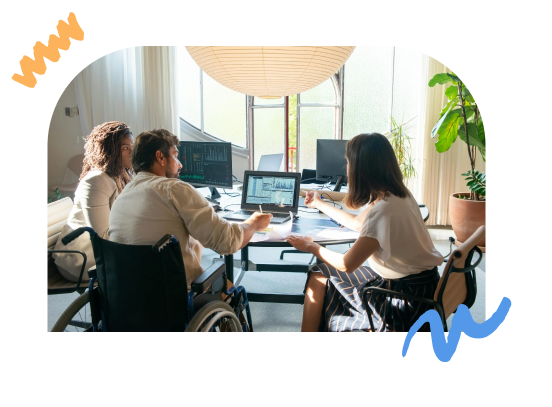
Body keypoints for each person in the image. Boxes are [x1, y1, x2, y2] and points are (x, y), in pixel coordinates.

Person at [285, 133, 444, 332]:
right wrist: (319, 203)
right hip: (422, 286)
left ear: (362, 169)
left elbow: (347, 264)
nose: (347, 168)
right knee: (319, 274)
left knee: (320, 276)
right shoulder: (396, 194)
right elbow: (357, 223)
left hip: (403, 299)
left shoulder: (384, 209)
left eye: (349, 162)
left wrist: (310, 246)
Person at [108, 128, 272, 286]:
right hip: (174, 295)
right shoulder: (174, 189)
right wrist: (254, 223)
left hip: (127, 295)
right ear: (160, 157)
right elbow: (226, 242)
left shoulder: (122, 195)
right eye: (175, 155)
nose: (179, 165)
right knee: (233, 291)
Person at [53, 121, 134, 282]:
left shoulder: (123, 175)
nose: (132, 152)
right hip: (81, 258)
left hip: (102, 251)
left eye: (133, 147)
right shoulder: (96, 181)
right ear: (109, 150)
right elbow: (102, 237)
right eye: (125, 148)